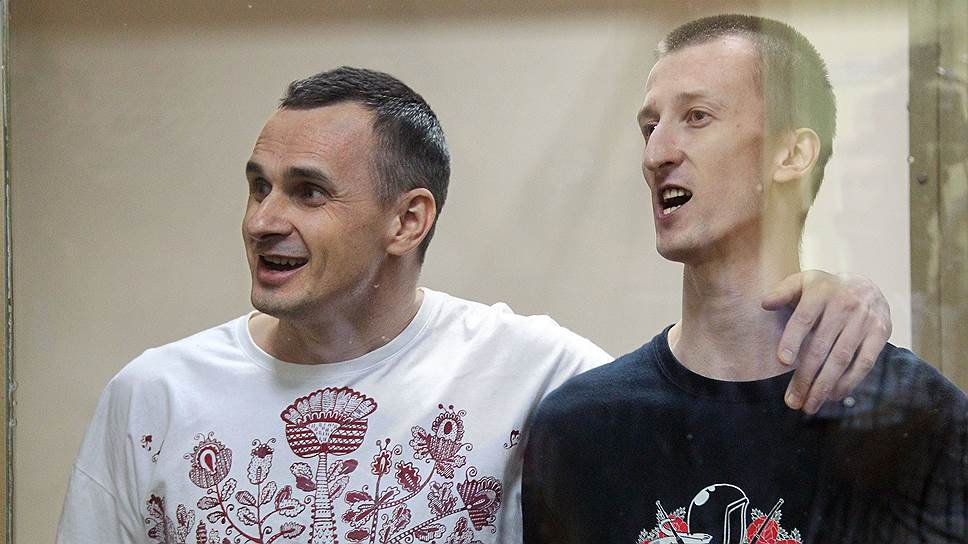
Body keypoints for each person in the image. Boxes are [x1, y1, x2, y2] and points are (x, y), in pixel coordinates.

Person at [58, 67, 891, 544]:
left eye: (307, 192)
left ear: (408, 220)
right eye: (258, 187)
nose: (262, 221)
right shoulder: (154, 398)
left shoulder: (529, 369)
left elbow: (711, 426)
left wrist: (831, 302)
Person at [522, 14, 968, 544]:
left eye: (697, 116)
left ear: (792, 154)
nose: (655, 154)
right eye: (650, 127)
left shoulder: (915, 419)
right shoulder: (580, 428)